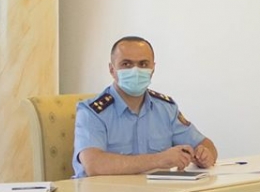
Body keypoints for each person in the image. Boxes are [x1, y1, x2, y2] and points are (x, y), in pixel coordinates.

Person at [74, 36, 218, 177]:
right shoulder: (91, 112)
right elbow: (93, 164)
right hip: (105, 191)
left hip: (154, 191)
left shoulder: (166, 108)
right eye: (126, 64)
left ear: (153, 68)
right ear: (112, 69)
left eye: (143, 64)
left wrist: (204, 155)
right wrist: (159, 160)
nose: (135, 71)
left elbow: (205, 144)